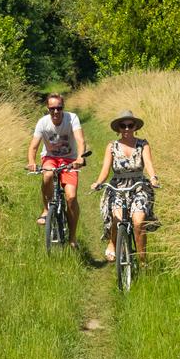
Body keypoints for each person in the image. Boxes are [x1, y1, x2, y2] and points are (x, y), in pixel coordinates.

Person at [93, 110, 160, 264]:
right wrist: (98, 182)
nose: (127, 129)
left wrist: (153, 178)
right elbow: (105, 170)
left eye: (130, 125)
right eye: (123, 126)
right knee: (117, 220)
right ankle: (113, 242)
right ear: (119, 129)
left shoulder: (143, 144)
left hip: (139, 187)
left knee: (138, 221)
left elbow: (148, 164)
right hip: (118, 187)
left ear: (135, 127)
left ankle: (143, 261)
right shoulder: (112, 146)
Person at [25, 93, 87, 243]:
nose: (56, 112)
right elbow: (33, 147)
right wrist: (32, 162)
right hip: (50, 158)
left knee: (71, 198)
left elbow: (80, 140)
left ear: (63, 108)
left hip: (70, 160)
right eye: (52, 108)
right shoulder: (42, 123)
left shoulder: (72, 118)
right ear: (48, 109)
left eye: (59, 108)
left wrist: (80, 157)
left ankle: (72, 238)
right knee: (47, 175)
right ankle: (46, 210)